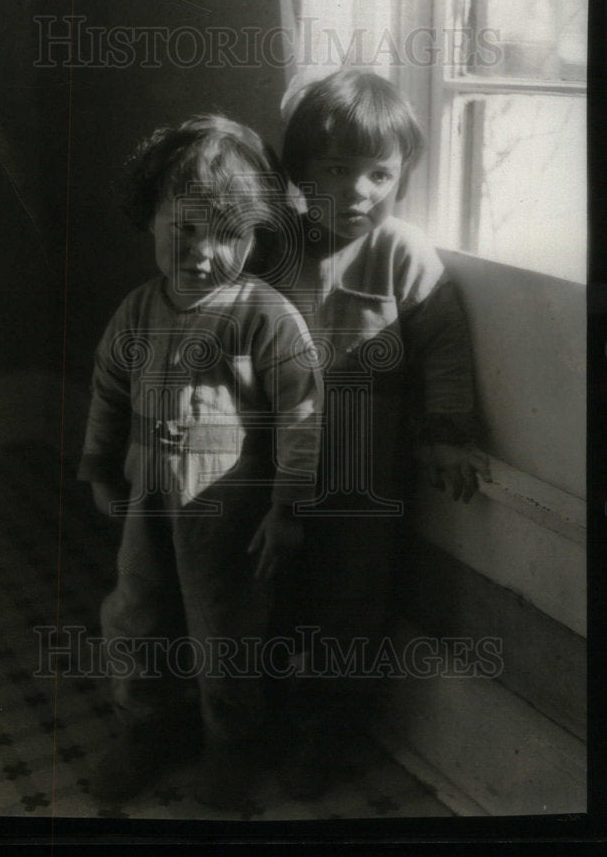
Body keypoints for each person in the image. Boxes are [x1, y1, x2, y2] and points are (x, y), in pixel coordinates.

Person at [77, 115, 322, 810]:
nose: (203, 252)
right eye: (184, 229)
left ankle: (231, 746)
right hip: (149, 501)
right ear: (151, 219)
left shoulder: (264, 316)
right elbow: (108, 390)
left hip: (230, 514)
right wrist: (99, 465)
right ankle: (146, 729)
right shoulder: (137, 312)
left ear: (255, 235)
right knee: (136, 615)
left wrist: (286, 508)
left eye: (228, 234)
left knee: (225, 632)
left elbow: (301, 416)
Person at [270, 68, 491, 798]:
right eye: (336, 171)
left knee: (349, 607)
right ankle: (264, 717)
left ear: (399, 177)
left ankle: (332, 736)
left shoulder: (402, 252)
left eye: (379, 174)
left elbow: (444, 347)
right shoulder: (275, 250)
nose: (358, 192)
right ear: (300, 171)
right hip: (271, 470)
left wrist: (448, 431)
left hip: (364, 481)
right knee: (269, 592)